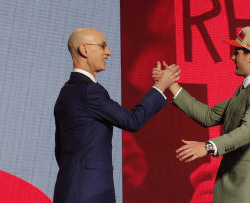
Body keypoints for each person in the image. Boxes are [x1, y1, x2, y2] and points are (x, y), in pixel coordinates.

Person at [153, 26, 250, 203]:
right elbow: (208, 115)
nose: (232, 57)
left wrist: (206, 146)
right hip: (234, 191)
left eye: (237, 52)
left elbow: (247, 131)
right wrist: (170, 84)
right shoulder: (246, 91)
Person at [53, 28, 180, 203]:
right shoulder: (89, 91)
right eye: (103, 46)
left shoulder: (66, 92)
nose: (108, 52)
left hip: (70, 189)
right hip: (89, 193)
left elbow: (60, 151)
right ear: (84, 50)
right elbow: (132, 121)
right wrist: (161, 86)